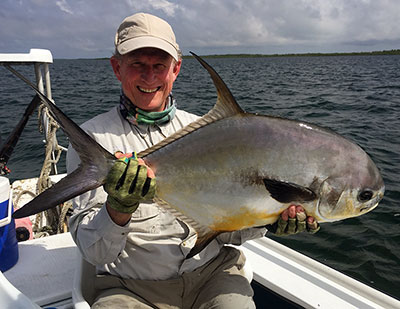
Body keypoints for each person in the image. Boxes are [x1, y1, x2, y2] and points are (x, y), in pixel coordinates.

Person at [68, 12, 319, 309]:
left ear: (176, 69)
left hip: (211, 276)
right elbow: (95, 254)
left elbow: (229, 227)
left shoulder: (210, 133)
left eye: (159, 65)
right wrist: (118, 208)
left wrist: (271, 220)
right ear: (116, 67)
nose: (150, 77)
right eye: (137, 64)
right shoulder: (94, 139)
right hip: (130, 287)